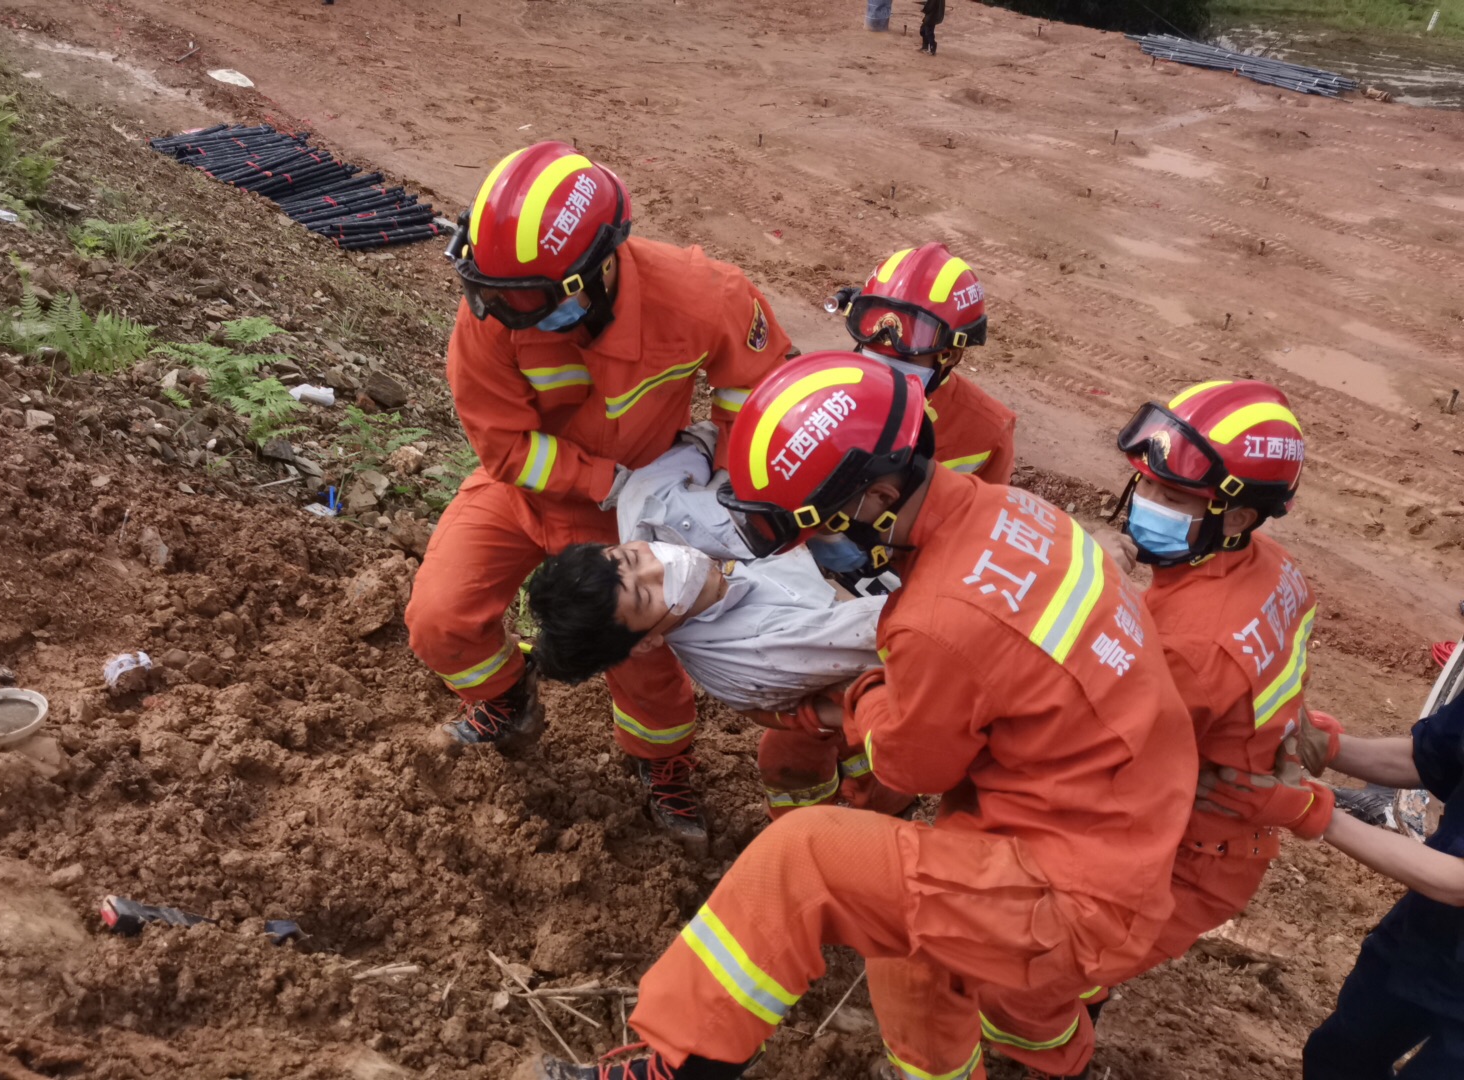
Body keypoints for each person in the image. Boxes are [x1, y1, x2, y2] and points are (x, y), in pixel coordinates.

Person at [536, 352, 1197, 1080]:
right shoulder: (1016, 511)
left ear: (878, 495)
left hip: (1065, 884)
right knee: (904, 930)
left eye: (806, 525)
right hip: (1116, 831)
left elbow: (911, 766)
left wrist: (859, 699)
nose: (805, 548)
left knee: (805, 857)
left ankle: (672, 1068)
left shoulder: (936, 621)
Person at [405, 141, 792, 849]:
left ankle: (662, 763)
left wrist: (719, 480)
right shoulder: (492, 317)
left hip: (640, 513)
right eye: (488, 289)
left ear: (599, 268)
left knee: (644, 662)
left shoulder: (702, 294)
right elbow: (504, 445)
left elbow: (761, 393)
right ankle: (506, 700)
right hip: (525, 493)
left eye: (525, 297)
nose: (501, 309)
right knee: (439, 618)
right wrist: (606, 482)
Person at [976, 379, 1327, 1076]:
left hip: (1187, 854)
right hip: (1209, 822)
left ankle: (1049, 1059)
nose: (1146, 504)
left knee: (1024, 981)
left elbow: (1081, 746)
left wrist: (1080, 592)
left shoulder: (1192, 649)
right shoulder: (1274, 570)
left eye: (1173, 496)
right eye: (1146, 484)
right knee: (1080, 967)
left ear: (1236, 516)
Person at [527, 431, 910, 818]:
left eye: (631, 558)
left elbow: (716, 435)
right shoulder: (765, 651)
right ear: (647, 641)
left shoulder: (646, 501)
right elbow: (906, 626)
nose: (659, 565)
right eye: (646, 595)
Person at [1294, 697, 1464, 1078]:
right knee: (1338, 1057)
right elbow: (1425, 758)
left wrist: (1314, 812)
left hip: (1446, 903)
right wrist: (1324, 745)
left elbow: (1458, 881)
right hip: (1432, 933)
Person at [831, 244, 1015, 485]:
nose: (881, 368)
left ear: (952, 355)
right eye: (873, 342)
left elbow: (986, 507)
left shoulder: (987, 433)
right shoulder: (817, 392)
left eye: (906, 355)